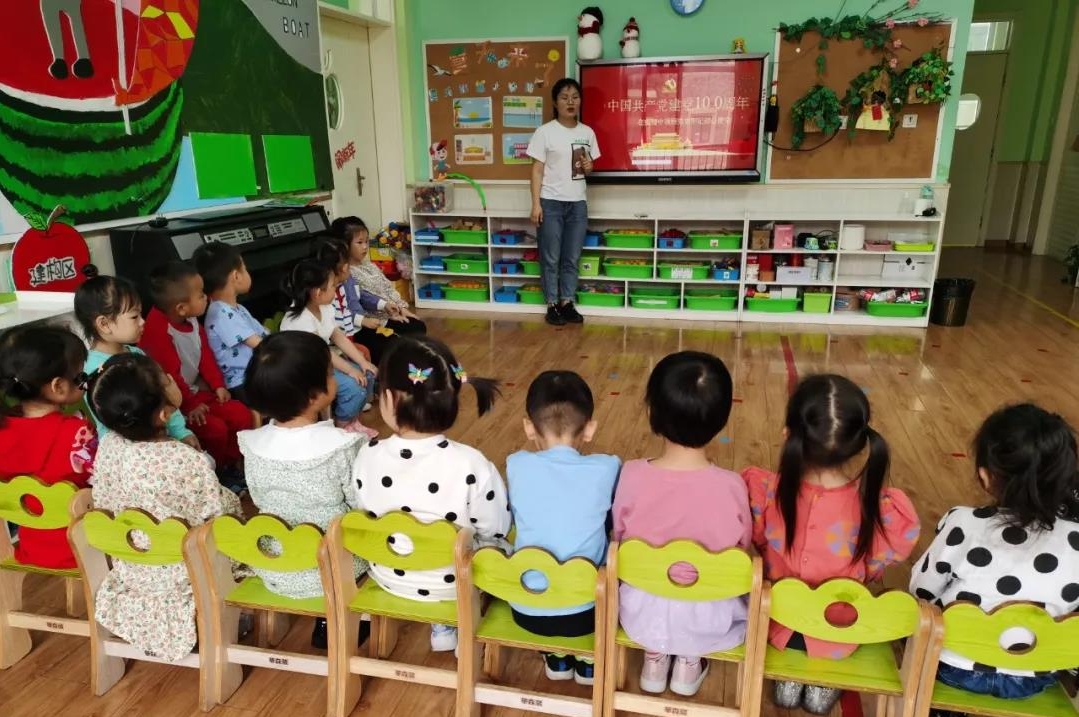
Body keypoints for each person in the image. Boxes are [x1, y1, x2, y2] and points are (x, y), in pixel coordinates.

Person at [743, 374, 921, 715]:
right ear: (859, 443)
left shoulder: (765, 491)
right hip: (841, 629)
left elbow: (760, 542)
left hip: (779, 622)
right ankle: (821, 681)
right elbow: (879, 563)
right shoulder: (881, 508)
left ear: (788, 434)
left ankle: (790, 678)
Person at [910, 404, 1079, 708]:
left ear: (985, 476)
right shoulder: (1076, 540)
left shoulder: (963, 523)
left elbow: (922, 591)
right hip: (1034, 675)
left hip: (955, 665)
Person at [351, 336, 510, 653]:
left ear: (388, 399)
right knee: (502, 542)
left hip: (388, 575)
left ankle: (443, 625)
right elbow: (494, 529)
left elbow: (365, 512)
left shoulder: (366, 455)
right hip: (455, 582)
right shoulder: (472, 463)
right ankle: (453, 626)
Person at [612, 351, 751, 698]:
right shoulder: (732, 485)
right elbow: (741, 549)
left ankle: (654, 657)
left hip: (641, 613)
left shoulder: (631, 474)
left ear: (652, 412)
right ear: (722, 418)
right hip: (709, 618)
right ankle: (690, 661)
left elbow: (620, 536)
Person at [88, 352, 241, 662]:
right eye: (167, 379)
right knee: (234, 525)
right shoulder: (184, 458)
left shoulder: (108, 447)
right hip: (184, 572)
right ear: (164, 414)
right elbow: (213, 516)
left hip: (130, 567)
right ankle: (226, 619)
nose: (172, 379)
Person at [239, 331, 368, 649]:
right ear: (314, 396)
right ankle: (340, 617)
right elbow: (361, 506)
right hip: (331, 568)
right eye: (331, 373)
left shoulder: (252, 444)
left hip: (272, 563)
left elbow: (258, 498)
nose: (334, 378)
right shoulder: (342, 446)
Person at [506, 370, 620, 686]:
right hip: (589, 612)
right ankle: (588, 660)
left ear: (529, 427)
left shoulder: (516, 464)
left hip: (527, 608)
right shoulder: (608, 467)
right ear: (590, 428)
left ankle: (556, 655)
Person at [139, 261, 254, 480]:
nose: (207, 297)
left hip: (195, 392)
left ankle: (232, 464)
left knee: (240, 413)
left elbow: (205, 354)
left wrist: (217, 384)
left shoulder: (189, 319)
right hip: (175, 402)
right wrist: (190, 405)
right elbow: (170, 377)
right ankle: (217, 473)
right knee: (215, 429)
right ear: (181, 307)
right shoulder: (159, 332)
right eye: (201, 294)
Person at [0, 326, 95, 569]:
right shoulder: (76, 433)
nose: (84, 383)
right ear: (58, 387)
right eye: (80, 378)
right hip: (84, 548)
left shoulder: (4, 430)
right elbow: (102, 480)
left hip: (30, 548)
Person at [74, 274, 197, 448]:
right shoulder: (92, 371)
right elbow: (109, 425)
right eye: (134, 317)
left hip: (159, 438)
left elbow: (164, 396)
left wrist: (181, 431)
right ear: (104, 324)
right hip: (128, 450)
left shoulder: (136, 353)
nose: (142, 322)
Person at [527, 77, 601, 327]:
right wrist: (536, 204)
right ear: (555, 102)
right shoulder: (545, 132)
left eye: (575, 97)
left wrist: (589, 166)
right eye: (564, 97)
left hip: (578, 203)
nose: (570, 102)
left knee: (571, 257)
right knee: (550, 257)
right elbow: (537, 170)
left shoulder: (587, 132)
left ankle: (567, 302)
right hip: (550, 202)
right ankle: (552, 304)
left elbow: (588, 169)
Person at [280, 259, 379, 437]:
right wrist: (351, 370)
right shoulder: (300, 319)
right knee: (354, 387)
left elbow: (338, 336)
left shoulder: (324, 307)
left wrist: (362, 362)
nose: (337, 288)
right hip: (307, 372)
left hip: (324, 364)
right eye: (333, 285)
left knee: (368, 374)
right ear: (318, 293)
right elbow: (323, 353)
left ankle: (353, 421)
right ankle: (342, 426)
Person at [192, 242, 269, 404]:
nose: (247, 272)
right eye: (244, 269)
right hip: (243, 383)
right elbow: (261, 345)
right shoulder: (221, 313)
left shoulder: (235, 308)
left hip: (254, 373)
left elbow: (263, 334)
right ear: (236, 276)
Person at [331, 216, 427, 338]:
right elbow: (361, 302)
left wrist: (401, 308)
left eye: (366, 241)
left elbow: (387, 288)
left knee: (418, 326)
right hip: (373, 320)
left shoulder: (369, 265)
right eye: (360, 242)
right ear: (344, 245)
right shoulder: (347, 274)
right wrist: (385, 315)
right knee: (410, 331)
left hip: (389, 312)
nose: (365, 246)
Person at [313, 236, 403, 364]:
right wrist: (362, 321)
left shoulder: (345, 282)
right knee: (384, 348)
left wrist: (384, 304)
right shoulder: (327, 295)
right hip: (351, 333)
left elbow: (359, 296)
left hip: (355, 329)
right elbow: (338, 326)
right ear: (344, 267)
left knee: (395, 341)